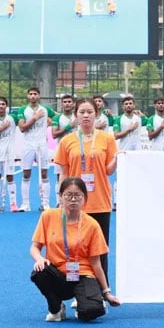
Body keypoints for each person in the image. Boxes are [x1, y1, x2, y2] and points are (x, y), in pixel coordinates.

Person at [30, 177, 121, 322]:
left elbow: (96, 264)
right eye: (68, 195)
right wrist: (39, 259)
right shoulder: (48, 216)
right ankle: (56, 307)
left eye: (77, 195)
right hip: (57, 274)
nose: (73, 199)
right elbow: (35, 247)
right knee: (39, 272)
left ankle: (83, 302)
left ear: (84, 198)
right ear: (61, 197)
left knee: (91, 312)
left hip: (82, 274)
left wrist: (107, 293)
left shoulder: (92, 225)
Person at [53, 98, 117, 282]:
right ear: (76, 116)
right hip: (75, 203)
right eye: (82, 112)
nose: (86, 115)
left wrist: (117, 159)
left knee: (100, 249)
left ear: (96, 114)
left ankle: (101, 291)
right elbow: (63, 173)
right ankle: (79, 291)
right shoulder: (67, 141)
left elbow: (108, 170)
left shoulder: (107, 138)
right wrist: (61, 199)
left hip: (100, 201)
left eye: (90, 112)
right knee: (75, 248)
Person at [17, 87, 56, 212]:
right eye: (30, 94)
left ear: (39, 96)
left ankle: (45, 203)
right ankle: (25, 204)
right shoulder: (23, 110)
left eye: (35, 94)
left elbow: (58, 118)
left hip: (42, 145)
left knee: (44, 173)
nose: (33, 96)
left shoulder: (46, 109)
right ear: (28, 96)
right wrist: (35, 118)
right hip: (28, 145)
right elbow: (22, 128)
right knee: (26, 173)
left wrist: (50, 122)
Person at [51, 94, 78, 206]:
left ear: (73, 104)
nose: (67, 104)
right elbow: (54, 134)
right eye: (65, 102)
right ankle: (60, 201)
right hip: (62, 150)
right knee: (60, 176)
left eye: (69, 102)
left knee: (76, 175)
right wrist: (68, 127)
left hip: (76, 150)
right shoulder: (57, 118)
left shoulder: (78, 117)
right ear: (62, 104)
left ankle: (76, 199)